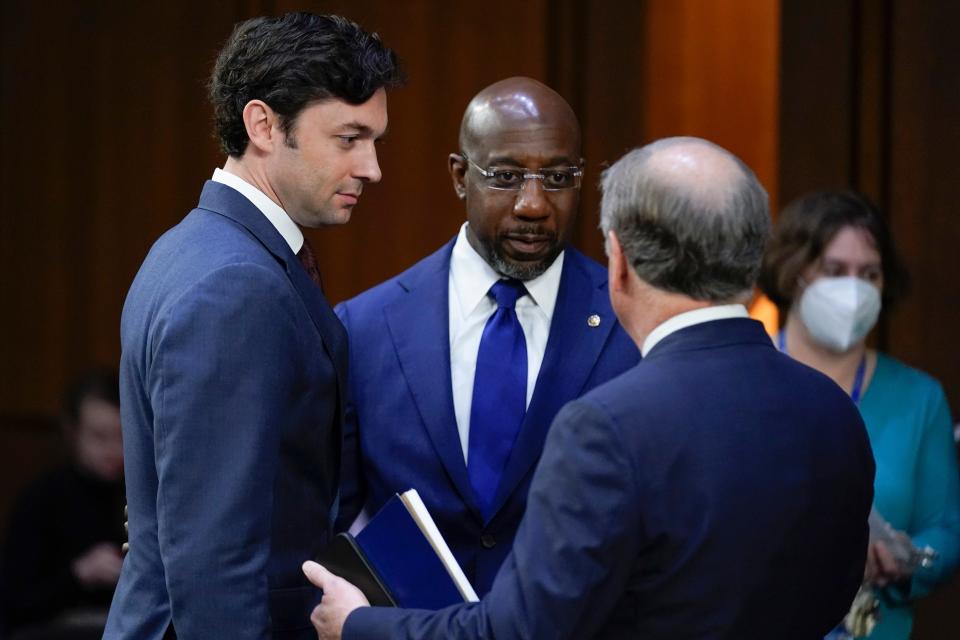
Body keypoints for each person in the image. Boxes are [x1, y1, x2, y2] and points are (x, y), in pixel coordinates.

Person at [305, 137, 876, 639]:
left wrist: (357, 625)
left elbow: (521, 632)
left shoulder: (607, 426)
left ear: (619, 262)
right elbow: (835, 592)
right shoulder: (832, 410)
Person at [103, 13, 401, 640]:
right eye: (349, 138)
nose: (372, 167)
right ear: (263, 125)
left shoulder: (194, 246)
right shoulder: (235, 284)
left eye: (374, 140)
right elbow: (214, 558)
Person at [333, 77, 639, 595]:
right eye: (506, 176)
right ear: (459, 176)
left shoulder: (629, 322)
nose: (534, 204)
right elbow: (332, 519)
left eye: (559, 177)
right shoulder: (365, 328)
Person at [758, 190, 960, 640]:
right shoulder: (742, 379)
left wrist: (905, 559)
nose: (854, 288)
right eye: (834, 271)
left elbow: (947, 530)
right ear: (793, 275)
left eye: (869, 273)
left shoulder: (919, 398)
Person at [0, 369, 125, 639]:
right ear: (72, 432)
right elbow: (16, 602)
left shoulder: (139, 495)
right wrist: (78, 574)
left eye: (123, 436)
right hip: (60, 626)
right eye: (100, 437)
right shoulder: (41, 499)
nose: (115, 449)